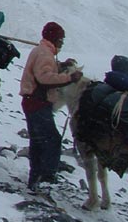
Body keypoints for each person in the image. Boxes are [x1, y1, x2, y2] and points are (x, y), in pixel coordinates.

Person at [19, 21, 83, 192]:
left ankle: (35, 179)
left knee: (38, 140)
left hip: (31, 101)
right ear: (54, 38)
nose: (62, 42)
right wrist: (70, 78)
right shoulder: (45, 54)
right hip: (38, 102)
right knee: (52, 140)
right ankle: (46, 177)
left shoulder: (42, 51)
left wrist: (60, 66)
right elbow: (44, 78)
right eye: (61, 39)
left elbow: (43, 71)